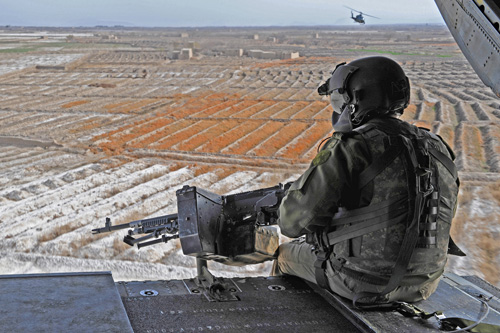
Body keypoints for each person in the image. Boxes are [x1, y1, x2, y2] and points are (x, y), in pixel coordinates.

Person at [272, 56, 462, 305]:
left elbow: (292, 223)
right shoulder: (436, 146)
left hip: (362, 281)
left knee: (284, 255)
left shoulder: (352, 146)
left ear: (355, 100)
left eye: (341, 99)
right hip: (425, 284)